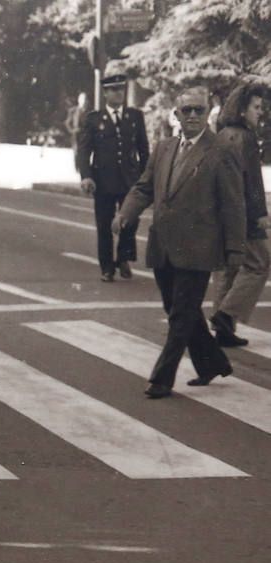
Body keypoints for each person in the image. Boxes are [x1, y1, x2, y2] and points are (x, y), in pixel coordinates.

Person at [115, 86, 245, 399]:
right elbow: (145, 188)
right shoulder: (163, 149)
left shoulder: (220, 152)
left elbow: (233, 204)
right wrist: (126, 213)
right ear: (176, 114)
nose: (193, 116)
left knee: (180, 315)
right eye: (186, 110)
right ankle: (212, 362)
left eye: (199, 110)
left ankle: (162, 378)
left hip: (199, 248)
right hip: (164, 245)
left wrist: (234, 250)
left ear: (209, 112)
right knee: (179, 309)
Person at [208, 82, 269, 347]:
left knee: (227, 269)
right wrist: (261, 215)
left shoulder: (222, 134)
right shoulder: (245, 139)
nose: (260, 113)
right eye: (256, 107)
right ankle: (225, 315)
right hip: (243, 213)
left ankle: (224, 331)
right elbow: (253, 182)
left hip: (221, 212)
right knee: (259, 264)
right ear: (242, 110)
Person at [76, 72, 149, 282]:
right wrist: (86, 176)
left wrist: (147, 176)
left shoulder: (135, 117)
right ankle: (107, 267)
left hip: (129, 179)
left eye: (121, 89)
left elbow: (143, 149)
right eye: (114, 90)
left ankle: (124, 256)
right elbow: (84, 150)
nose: (119, 94)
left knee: (130, 220)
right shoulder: (94, 119)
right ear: (105, 93)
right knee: (104, 224)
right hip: (103, 180)